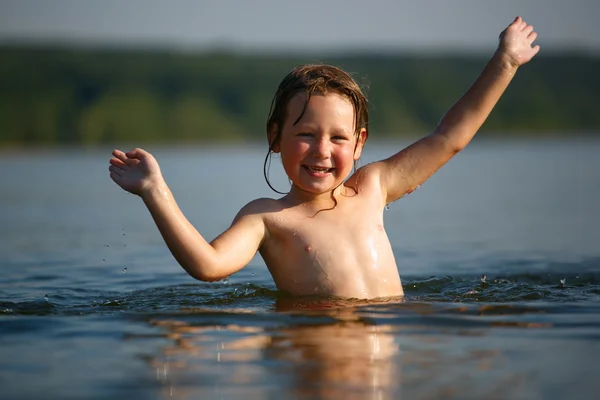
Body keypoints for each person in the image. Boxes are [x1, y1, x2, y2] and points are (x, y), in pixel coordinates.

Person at [109, 16, 539, 300]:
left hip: (388, 352)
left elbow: (449, 138)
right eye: (306, 135)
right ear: (275, 137)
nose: (322, 151)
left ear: (358, 144)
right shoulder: (267, 219)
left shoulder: (372, 188)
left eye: (338, 138)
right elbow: (209, 265)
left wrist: (505, 62)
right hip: (316, 355)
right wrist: (154, 191)